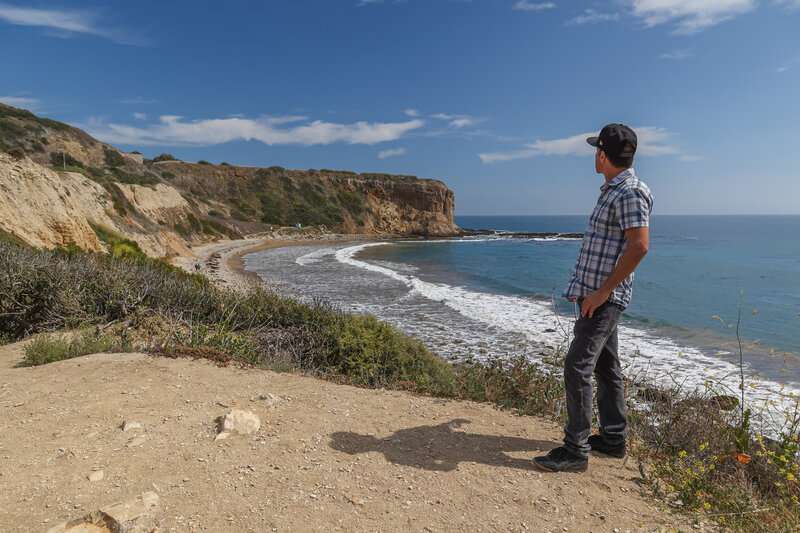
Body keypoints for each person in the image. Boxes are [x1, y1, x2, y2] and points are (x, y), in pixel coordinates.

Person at [534, 123, 653, 473]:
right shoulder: (614, 190)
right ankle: (614, 440)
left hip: (603, 297)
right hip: (596, 295)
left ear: (602, 154)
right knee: (605, 365)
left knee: (577, 366)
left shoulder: (629, 191)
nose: (594, 156)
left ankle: (575, 451)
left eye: (595, 150)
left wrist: (603, 292)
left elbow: (640, 246)